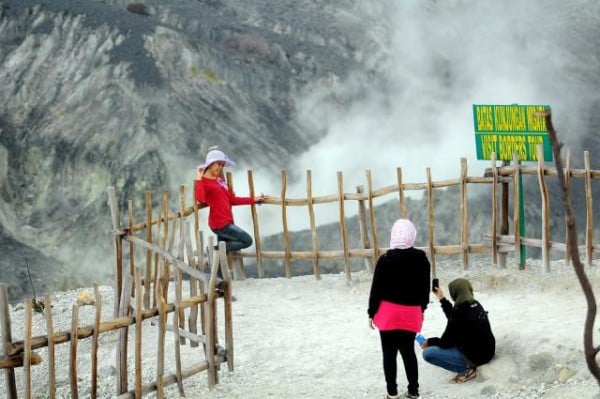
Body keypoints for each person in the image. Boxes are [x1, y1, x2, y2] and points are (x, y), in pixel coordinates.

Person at [368, 219, 431, 399]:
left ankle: (392, 393)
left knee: (389, 355)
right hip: (411, 314)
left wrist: (371, 313)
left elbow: (376, 289)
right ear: (412, 235)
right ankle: (413, 391)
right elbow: (424, 289)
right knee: (408, 352)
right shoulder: (421, 258)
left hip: (387, 315)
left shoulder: (385, 260)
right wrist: (421, 309)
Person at [420, 277, 495, 383]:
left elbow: (445, 343)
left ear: (454, 294)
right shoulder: (476, 305)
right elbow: (454, 317)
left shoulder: (458, 315)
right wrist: (441, 298)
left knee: (428, 353)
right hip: (488, 353)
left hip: (476, 358)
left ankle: (465, 369)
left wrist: (430, 342)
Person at [194, 146, 269, 252]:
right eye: (218, 164)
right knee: (247, 241)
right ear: (210, 164)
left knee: (222, 258)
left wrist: (254, 199)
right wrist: (199, 178)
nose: (220, 167)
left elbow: (232, 200)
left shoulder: (219, 181)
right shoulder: (204, 182)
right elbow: (200, 199)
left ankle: (218, 254)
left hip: (227, 222)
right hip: (220, 224)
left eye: (222, 165)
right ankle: (214, 250)